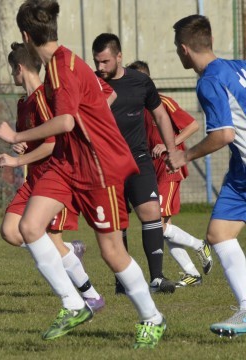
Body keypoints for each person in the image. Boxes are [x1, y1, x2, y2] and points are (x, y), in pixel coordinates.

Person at [0, 0, 166, 349]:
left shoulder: (61, 68)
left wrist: (16, 137)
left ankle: (152, 317)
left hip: (97, 167)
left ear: (26, 36)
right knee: (28, 227)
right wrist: (93, 113)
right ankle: (74, 303)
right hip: (67, 163)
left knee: (112, 251)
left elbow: (66, 121)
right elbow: (108, 93)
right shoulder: (67, 63)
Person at [0, 42, 104, 312]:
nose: (12, 76)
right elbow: (35, 142)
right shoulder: (24, 104)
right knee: (10, 231)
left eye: (12, 70)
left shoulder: (44, 98)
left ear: (20, 68)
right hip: (34, 179)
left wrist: (16, 160)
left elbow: (53, 144)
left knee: (49, 241)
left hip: (54, 178)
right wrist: (20, 146)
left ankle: (90, 296)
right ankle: (69, 249)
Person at [169, 14, 246, 338]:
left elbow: (224, 134)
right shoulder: (237, 66)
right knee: (218, 235)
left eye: (176, 48)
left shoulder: (209, 81)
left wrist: (183, 155)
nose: (177, 53)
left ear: (185, 49)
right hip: (240, 171)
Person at [92, 33, 179, 294]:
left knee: (151, 212)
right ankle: (124, 280)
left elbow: (161, 115)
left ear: (119, 57)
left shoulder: (141, 82)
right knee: (118, 223)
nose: (100, 68)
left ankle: (157, 277)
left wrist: (172, 151)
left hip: (139, 159)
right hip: (106, 163)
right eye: (96, 62)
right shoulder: (93, 84)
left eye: (105, 61)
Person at [127, 60, 213, 287]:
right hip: (151, 170)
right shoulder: (136, 107)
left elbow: (192, 125)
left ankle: (199, 245)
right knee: (161, 228)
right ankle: (191, 272)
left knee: (159, 225)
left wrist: (169, 144)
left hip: (169, 168)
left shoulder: (162, 102)